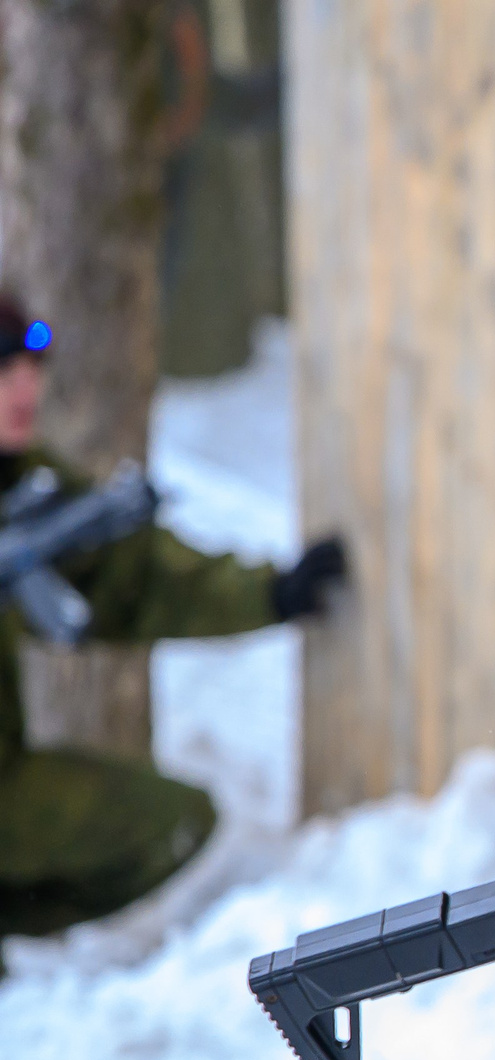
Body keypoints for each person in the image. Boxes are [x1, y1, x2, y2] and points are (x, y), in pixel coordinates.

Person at [0, 294, 343, 959]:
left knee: (173, 821)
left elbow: (134, 577)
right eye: (4, 366)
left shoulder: (26, 490)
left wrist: (271, 594)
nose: (26, 385)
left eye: (33, 363)